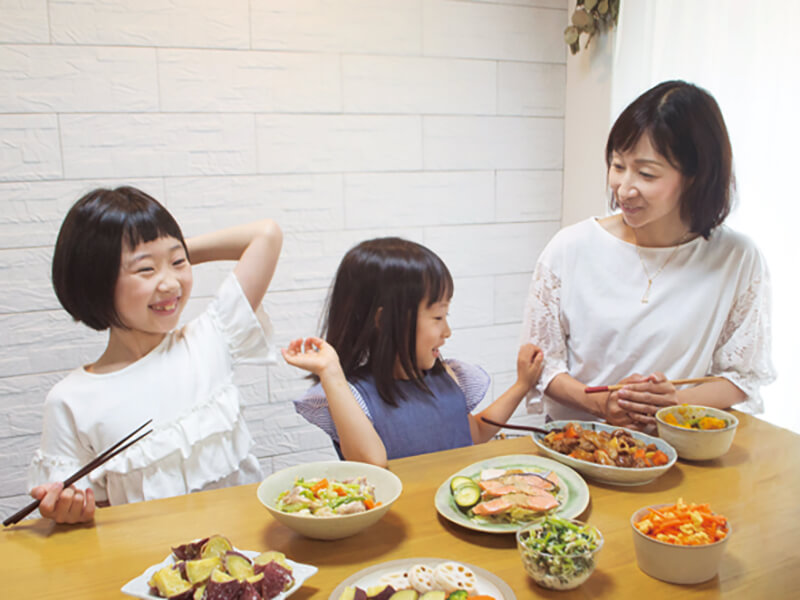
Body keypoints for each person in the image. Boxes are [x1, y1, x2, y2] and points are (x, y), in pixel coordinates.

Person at [520, 80, 775, 430]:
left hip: (680, 449)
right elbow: (542, 367)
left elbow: (740, 376)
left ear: (695, 176)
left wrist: (672, 404)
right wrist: (600, 403)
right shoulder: (570, 248)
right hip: (577, 445)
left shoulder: (737, 258)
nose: (624, 188)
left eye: (646, 173)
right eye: (617, 165)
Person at [27, 186, 283, 524]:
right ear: (96, 281)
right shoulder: (70, 400)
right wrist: (69, 512)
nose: (171, 284)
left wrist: (163, 253)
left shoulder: (210, 337)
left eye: (179, 263)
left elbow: (266, 234)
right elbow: (74, 515)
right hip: (153, 571)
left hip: (249, 557)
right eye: (146, 271)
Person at [282, 237, 544, 467]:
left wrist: (522, 385)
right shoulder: (350, 396)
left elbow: (473, 433)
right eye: (438, 316)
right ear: (385, 321)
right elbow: (371, 463)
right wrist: (330, 373)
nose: (447, 331)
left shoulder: (448, 375)